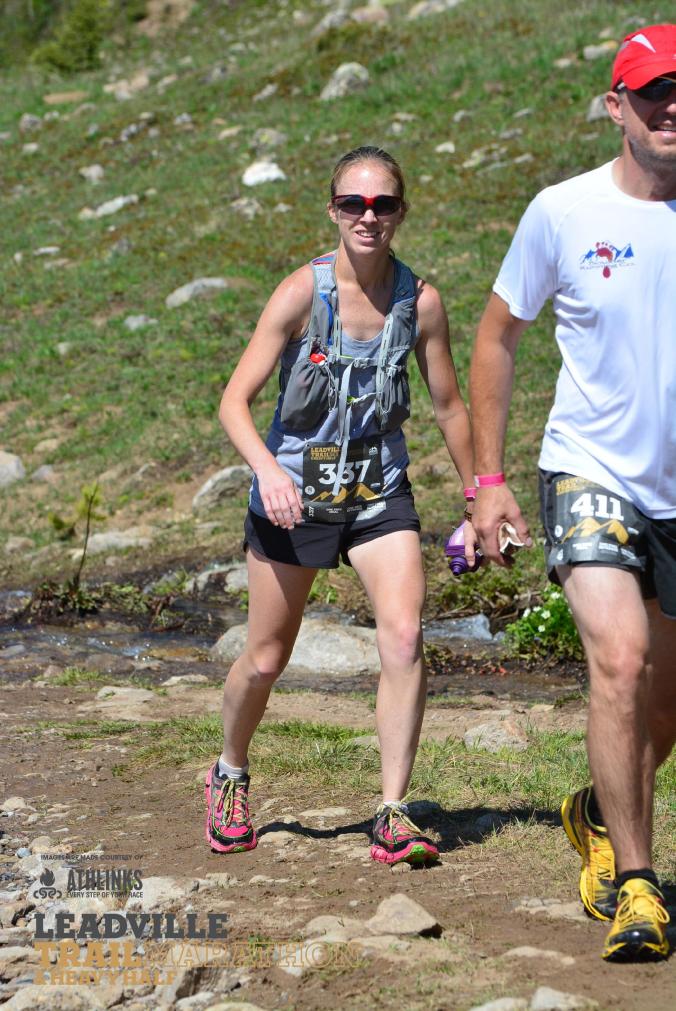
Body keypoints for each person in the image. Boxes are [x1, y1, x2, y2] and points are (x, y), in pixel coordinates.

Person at [206, 145, 476, 866]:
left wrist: (482, 494)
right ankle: (229, 771)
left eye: (382, 204)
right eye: (353, 203)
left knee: (404, 636)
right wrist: (266, 471)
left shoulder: (421, 303)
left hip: (376, 495)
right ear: (332, 210)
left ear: (400, 213)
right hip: (294, 498)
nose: (368, 216)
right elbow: (234, 401)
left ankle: (391, 809)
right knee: (265, 658)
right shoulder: (302, 293)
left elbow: (449, 406)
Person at [469, 24, 675, 962]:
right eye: (655, 92)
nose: (673, 108)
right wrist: (489, 481)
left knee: (662, 705)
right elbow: (496, 338)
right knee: (621, 660)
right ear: (615, 103)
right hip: (589, 467)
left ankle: (596, 807)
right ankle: (639, 884)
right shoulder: (562, 210)